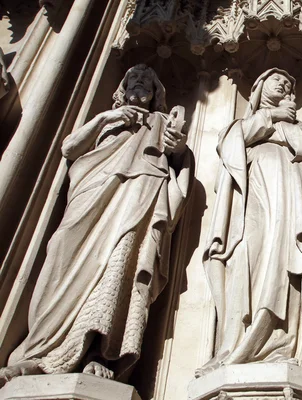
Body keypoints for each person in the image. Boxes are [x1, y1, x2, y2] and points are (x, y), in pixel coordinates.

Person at [0, 64, 192, 385]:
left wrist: (177, 145)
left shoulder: (158, 121)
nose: (140, 84)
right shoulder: (108, 117)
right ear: (122, 87)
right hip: (91, 191)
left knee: (119, 265)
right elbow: (70, 148)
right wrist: (106, 119)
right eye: (134, 79)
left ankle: (97, 353)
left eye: (147, 81)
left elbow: (177, 155)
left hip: (137, 193)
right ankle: (41, 349)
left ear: (156, 92)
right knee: (62, 256)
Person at [199, 68, 302, 376]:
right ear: (259, 88)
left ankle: (282, 345)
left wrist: (286, 121)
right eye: (276, 80)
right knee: (249, 255)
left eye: (288, 82)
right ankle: (238, 343)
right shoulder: (244, 124)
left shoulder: (301, 127)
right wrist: (272, 118)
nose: (283, 84)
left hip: (291, 199)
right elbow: (233, 142)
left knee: (286, 260)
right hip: (254, 197)